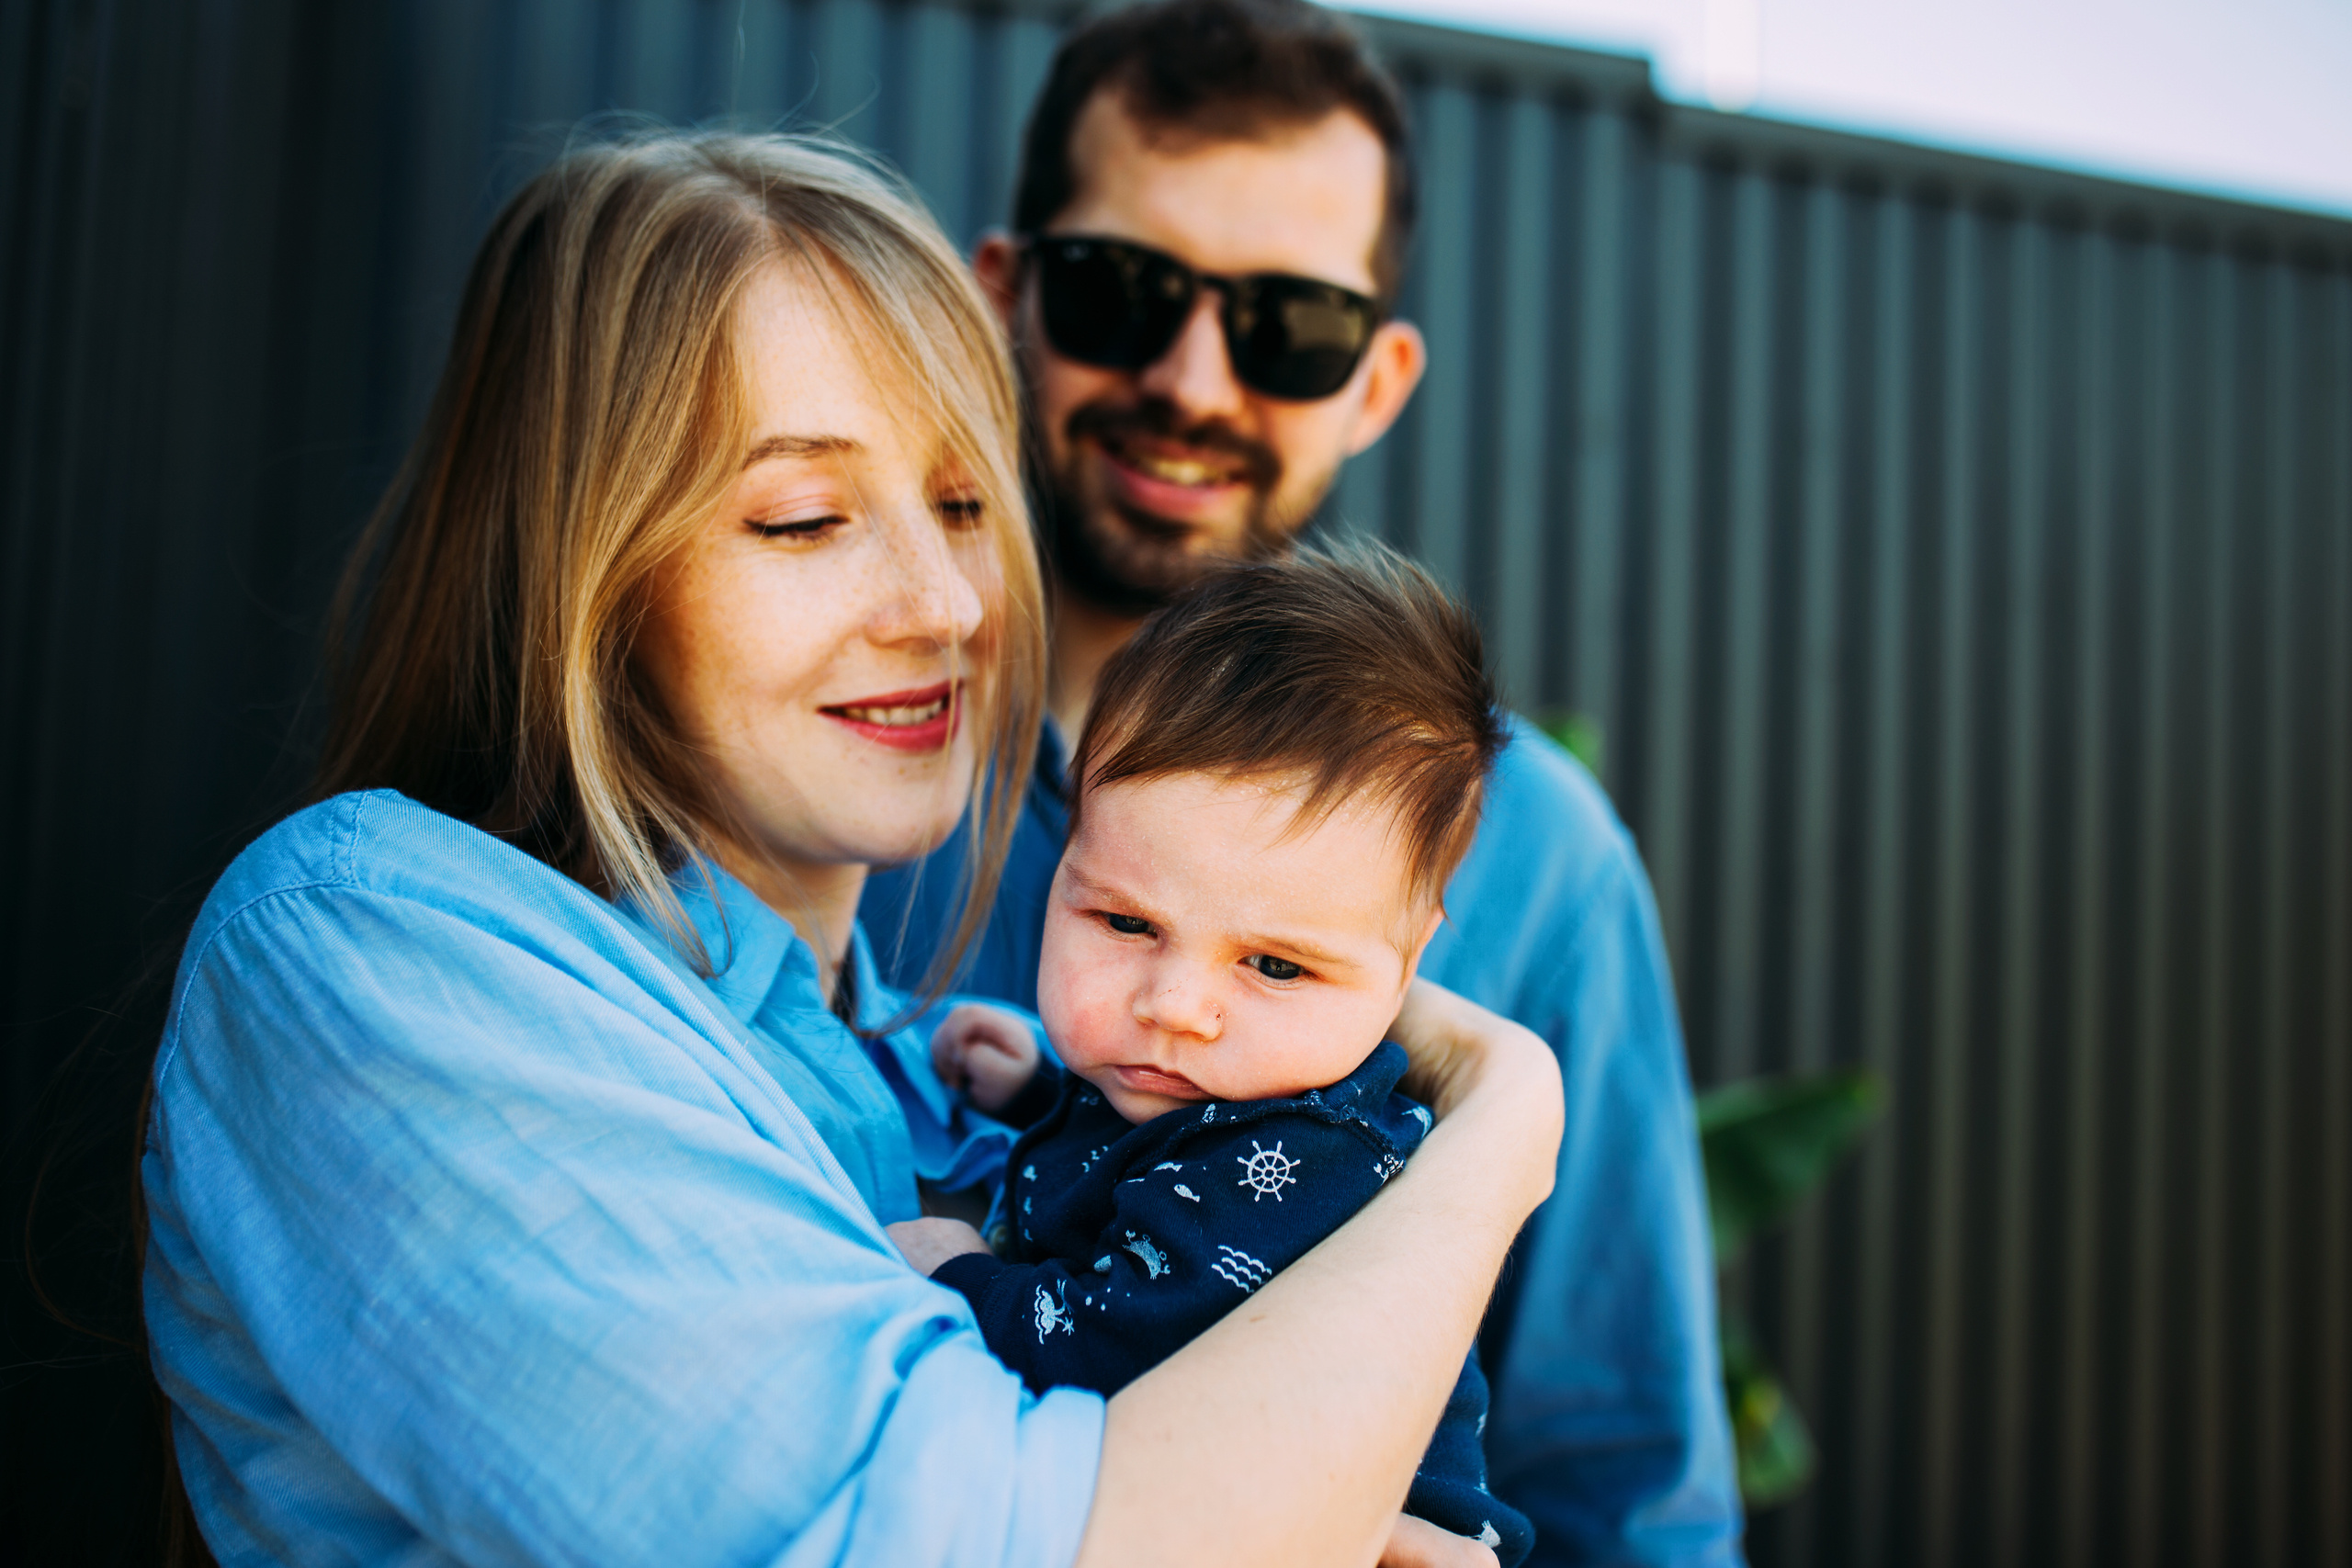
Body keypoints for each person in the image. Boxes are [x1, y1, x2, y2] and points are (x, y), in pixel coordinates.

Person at [140, 130, 1563, 1568]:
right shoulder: (388, 952)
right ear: (586, 569)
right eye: (806, 517)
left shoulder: (943, 1073)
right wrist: (1502, 1126)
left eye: (961, 503)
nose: (946, 600)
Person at [856, 4, 1745, 1562]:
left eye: (1288, 328)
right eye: (1123, 291)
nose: (1195, 380)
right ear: (1007, 296)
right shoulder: (834, 748)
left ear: (1379, 380)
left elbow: (1625, 1488)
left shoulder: (1540, 856)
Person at [903, 548, 1534, 1565]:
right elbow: (1140, 1165)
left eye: (1275, 966)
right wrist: (1041, 1092)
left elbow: (1114, 1339)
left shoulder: (1311, 1155)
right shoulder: (1231, 1088)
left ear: (1410, 957)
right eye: (1123, 921)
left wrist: (967, 1276)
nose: (1175, 1008)